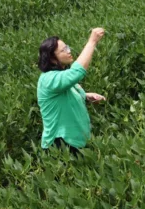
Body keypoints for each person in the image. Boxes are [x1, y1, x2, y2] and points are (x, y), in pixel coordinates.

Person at [36, 28, 107, 156]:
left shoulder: (60, 75)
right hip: (60, 144)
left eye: (67, 47)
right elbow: (76, 72)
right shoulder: (48, 79)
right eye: (64, 50)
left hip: (75, 142)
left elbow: (66, 92)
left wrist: (85, 96)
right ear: (52, 58)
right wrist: (92, 42)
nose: (69, 51)